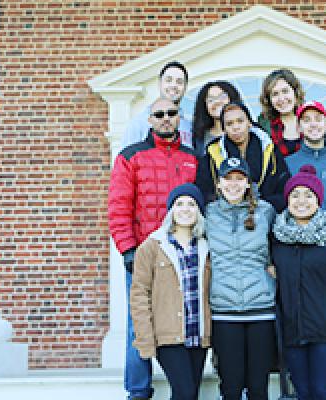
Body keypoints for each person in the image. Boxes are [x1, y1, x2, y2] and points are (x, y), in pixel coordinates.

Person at [108, 97, 198, 400]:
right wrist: (127, 250)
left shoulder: (191, 157)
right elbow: (119, 206)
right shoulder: (130, 156)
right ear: (149, 119)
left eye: (171, 113)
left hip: (183, 254)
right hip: (145, 255)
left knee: (187, 318)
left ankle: (184, 388)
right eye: (159, 114)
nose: (165, 118)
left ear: (179, 118)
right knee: (139, 325)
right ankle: (138, 391)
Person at [271, 165, 326, 400]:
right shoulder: (277, 237)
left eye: (308, 195)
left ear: (318, 200)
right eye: (295, 195)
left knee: (322, 392)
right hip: (292, 332)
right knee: (303, 393)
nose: (301, 201)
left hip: (325, 332)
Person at [205, 157, 277, 400]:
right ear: (219, 183)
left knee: (258, 388)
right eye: (228, 179)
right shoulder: (208, 214)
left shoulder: (266, 212)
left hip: (261, 308)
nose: (233, 184)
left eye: (239, 179)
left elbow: (279, 248)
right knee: (231, 387)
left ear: (248, 183)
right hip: (224, 311)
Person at [130, 184, 211, 400]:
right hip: (168, 335)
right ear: (171, 210)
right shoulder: (152, 246)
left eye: (192, 204)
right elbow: (139, 294)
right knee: (184, 392)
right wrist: (145, 339)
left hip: (198, 333)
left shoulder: (207, 246)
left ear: (199, 211)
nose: (186, 209)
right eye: (179, 204)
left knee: (190, 393)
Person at [196, 102, 290, 212]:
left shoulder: (269, 148)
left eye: (240, 121)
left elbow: (283, 187)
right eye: (229, 124)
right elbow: (205, 192)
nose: (236, 127)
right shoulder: (212, 154)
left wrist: (263, 207)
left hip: (267, 214)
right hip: (226, 217)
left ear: (249, 123)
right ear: (224, 129)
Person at [285, 100, 326, 217]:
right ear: (299, 128)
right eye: (307, 120)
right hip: (298, 233)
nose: (313, 124)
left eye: (318, 119)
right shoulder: (287, 164)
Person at [121, 61, 192, 148]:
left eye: (179, 82)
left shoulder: (189, 127)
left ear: (185, 87)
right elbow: (126, 159)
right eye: (168, 80)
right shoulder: (138, 124)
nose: (173, 85)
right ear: (159, 84)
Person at [257, 68, 305, 157]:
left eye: (285, 91)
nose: (281, 99)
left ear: (295, 92)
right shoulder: (263, 128)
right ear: (269, 100)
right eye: (275, 94)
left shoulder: (309, 121)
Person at [191, 80, 242, 156]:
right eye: (211, 100)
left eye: (222, 97)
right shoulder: (199, 139)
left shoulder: (247, 132)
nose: (217, 102)